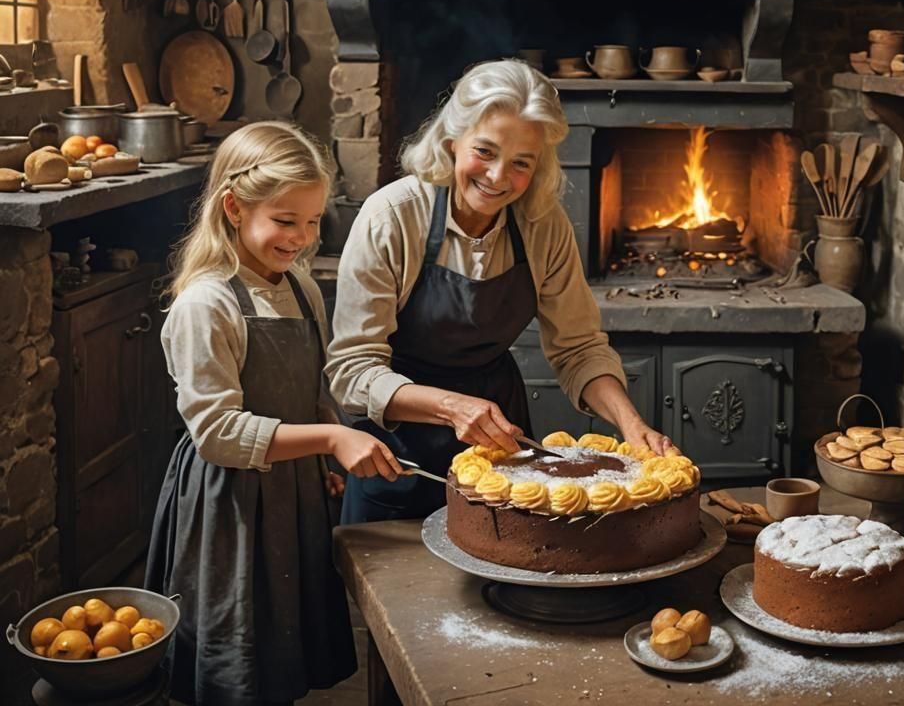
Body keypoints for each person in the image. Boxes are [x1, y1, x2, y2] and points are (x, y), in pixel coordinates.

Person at [326, 59, 676, 524]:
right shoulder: (392, 216)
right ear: (452, 142)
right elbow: (352, 371)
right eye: (485, 151)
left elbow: (580, 349)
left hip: (501, 445)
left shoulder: (543, 226)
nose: (496, 177)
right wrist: (451, 407)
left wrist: (632, 426)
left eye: (520, 164)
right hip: (397, 452)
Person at [146, 121, 403, 706]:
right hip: (228, 502)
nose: (301, 238)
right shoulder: (205, 305)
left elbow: (310, 389)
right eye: (285, 221)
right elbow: (216, 433)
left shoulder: (302, 287)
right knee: (236, 655)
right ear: (233, 208)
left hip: (293, 492)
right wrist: (331, 438)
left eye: (313, 221)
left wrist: (321, 453)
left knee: (282, 651)